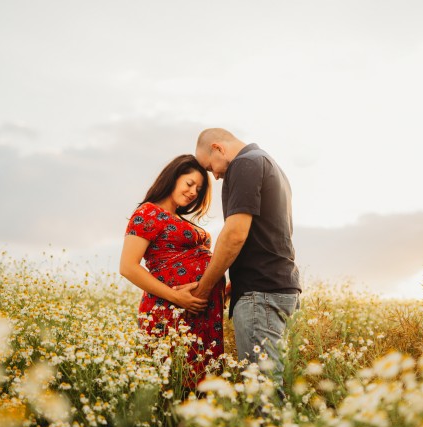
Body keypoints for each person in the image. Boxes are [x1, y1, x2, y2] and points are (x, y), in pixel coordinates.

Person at [191, 128, 301, 389]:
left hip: (260, 293)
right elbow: (265, 235)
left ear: (218, 148)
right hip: (279, 287)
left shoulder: (244, 164)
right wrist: (232, 284)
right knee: (270, 385)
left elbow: (235, 234)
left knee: (261, 391)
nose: (215, 176)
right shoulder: (267, 163)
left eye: (210, 167)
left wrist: (204, 289)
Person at [119, 154, 225, 389]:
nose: (193, 192)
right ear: (172, 178)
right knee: (171, 385)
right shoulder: (148, 213)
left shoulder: (180, 219)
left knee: (202, 386)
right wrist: (177, 297)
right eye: (189, 184)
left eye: (198, 189)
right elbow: (128, 266)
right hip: (170, 311)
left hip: (200, 313)